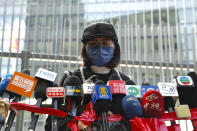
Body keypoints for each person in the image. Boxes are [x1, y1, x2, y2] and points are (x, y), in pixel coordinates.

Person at [45, 22, 133, 131]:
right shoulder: (71, 79)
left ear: (115, 48)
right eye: (93, 44)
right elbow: (53, 124)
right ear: (85, 49)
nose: (100, 48)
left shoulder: (125, 81)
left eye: (105, 43)